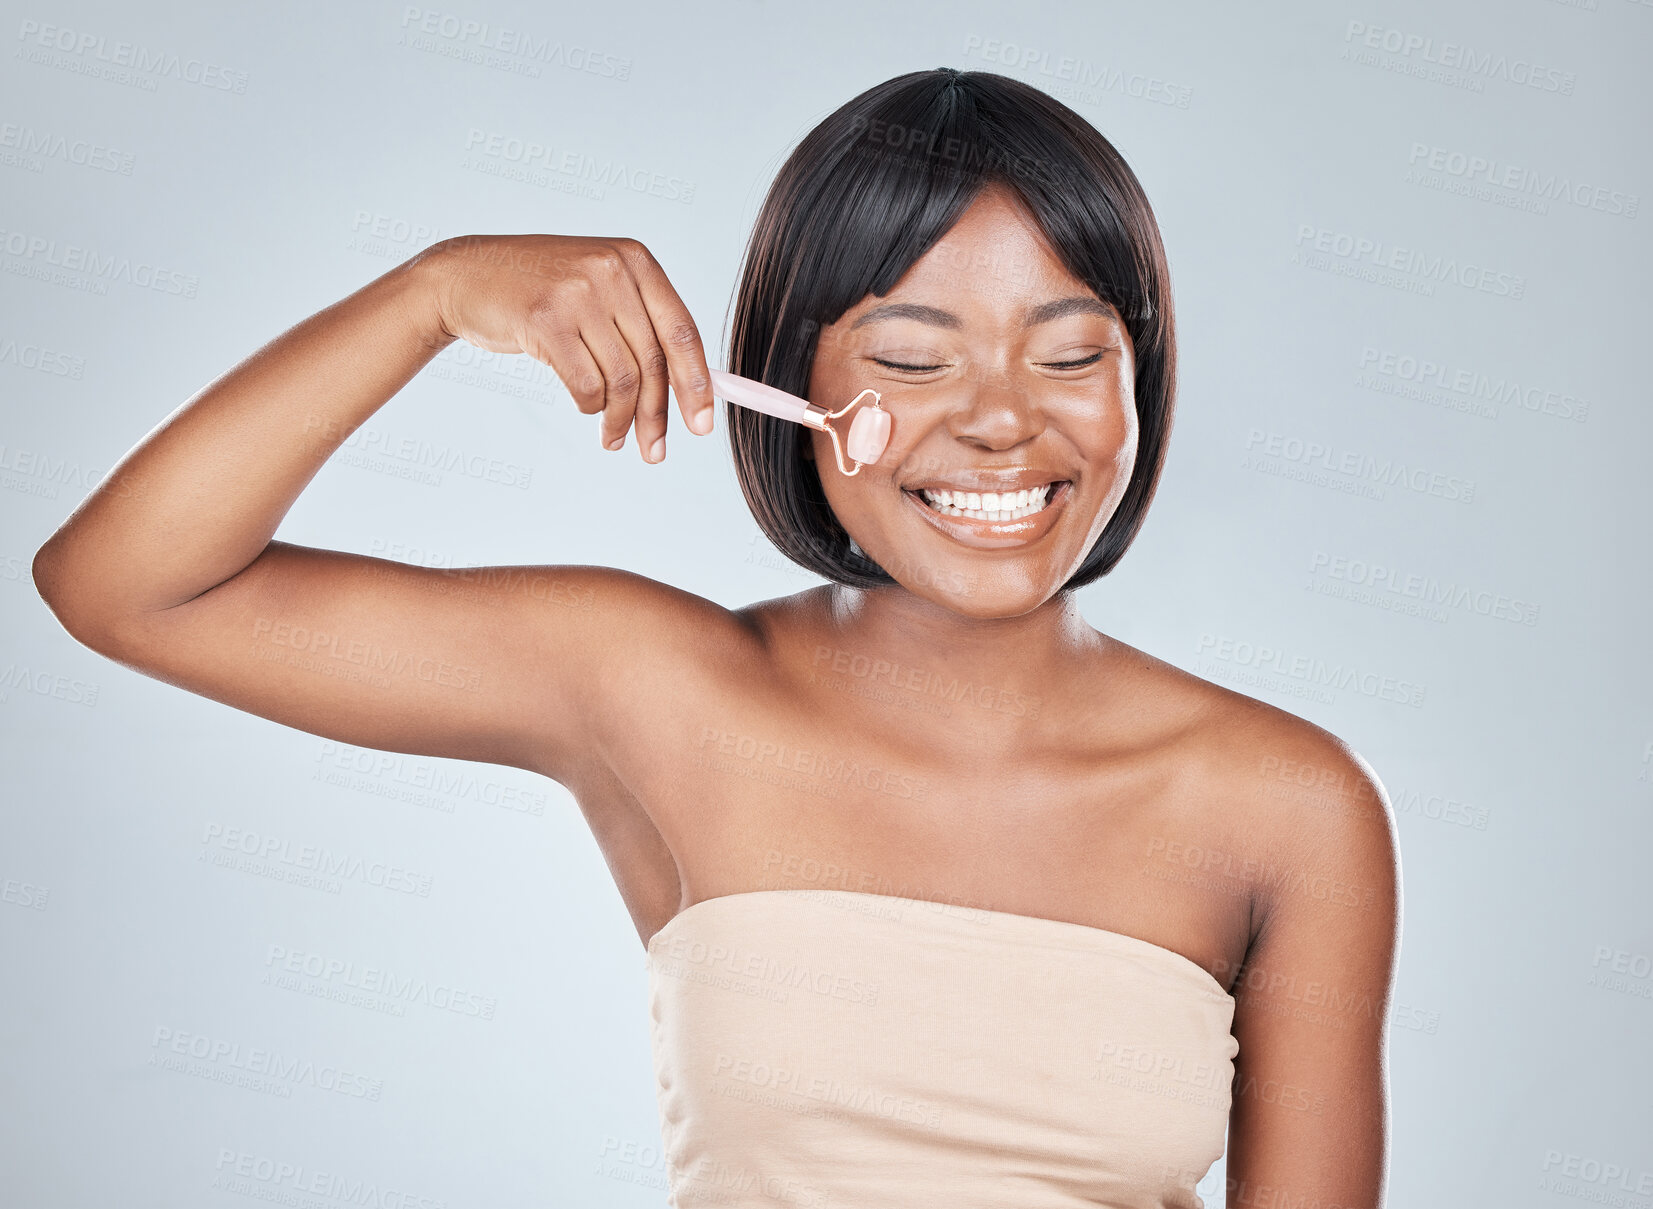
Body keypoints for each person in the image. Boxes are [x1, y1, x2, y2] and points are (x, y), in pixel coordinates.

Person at [33, 68, 1399, 1209]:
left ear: (1136, 381)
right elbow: (129, 585)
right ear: (792, 382)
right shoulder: (652, 687)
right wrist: (434, 295)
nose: (999, 421)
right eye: (913, 358)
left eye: (1067, 353)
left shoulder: (1288, 804)